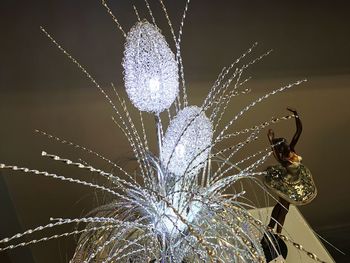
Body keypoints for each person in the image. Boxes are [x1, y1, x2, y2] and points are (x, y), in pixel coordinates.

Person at [264, 108, 317, 233]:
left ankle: (272, 226)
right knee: (284, 207)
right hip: (287, 184)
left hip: (297, 180)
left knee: (281, 206)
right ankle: (278, 231)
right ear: (282, 149)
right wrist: (271, 140)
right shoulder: (284, 159)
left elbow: (298, 131)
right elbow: (275, 154)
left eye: (287, 144)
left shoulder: (292, 149)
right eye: (285, 145)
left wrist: (296, 115)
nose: (288, 146)